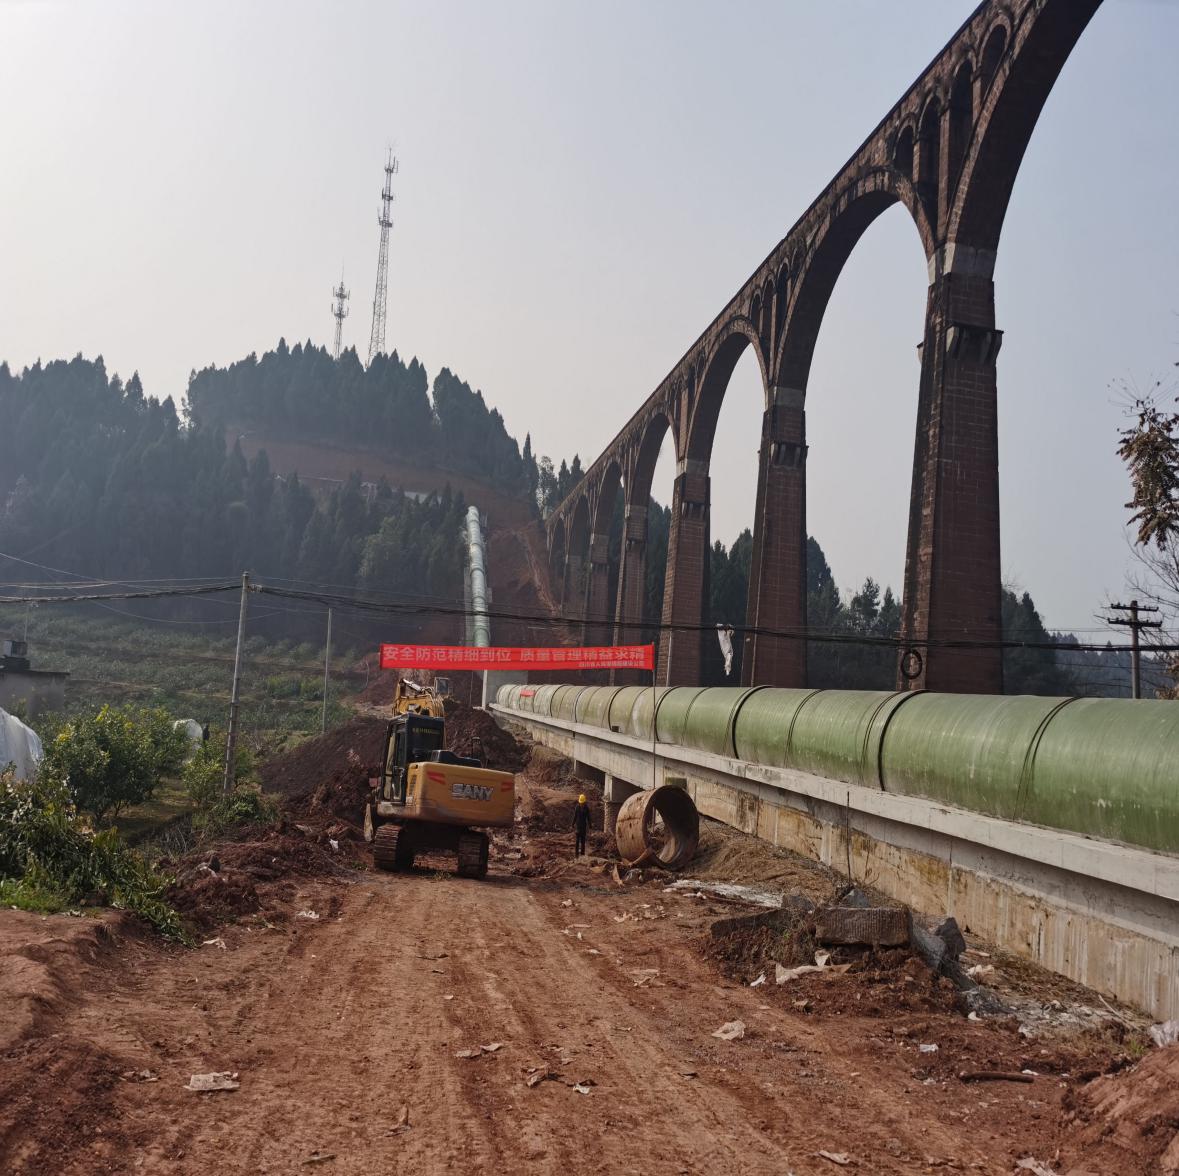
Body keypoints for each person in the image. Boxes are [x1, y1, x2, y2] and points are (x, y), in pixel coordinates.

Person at [572, 793, 591, 858]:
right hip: (578, 826)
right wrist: (572, 824)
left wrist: (590, 825)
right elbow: (575, 816)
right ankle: (576, 854)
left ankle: (582, 854)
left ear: (584, 802)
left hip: (583, 827)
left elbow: (588, 817)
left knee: (583, 841)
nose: (581, 804)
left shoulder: (586, 808)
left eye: (582, 803)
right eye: (581, 803)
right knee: (577, 841)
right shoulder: (577, 807)